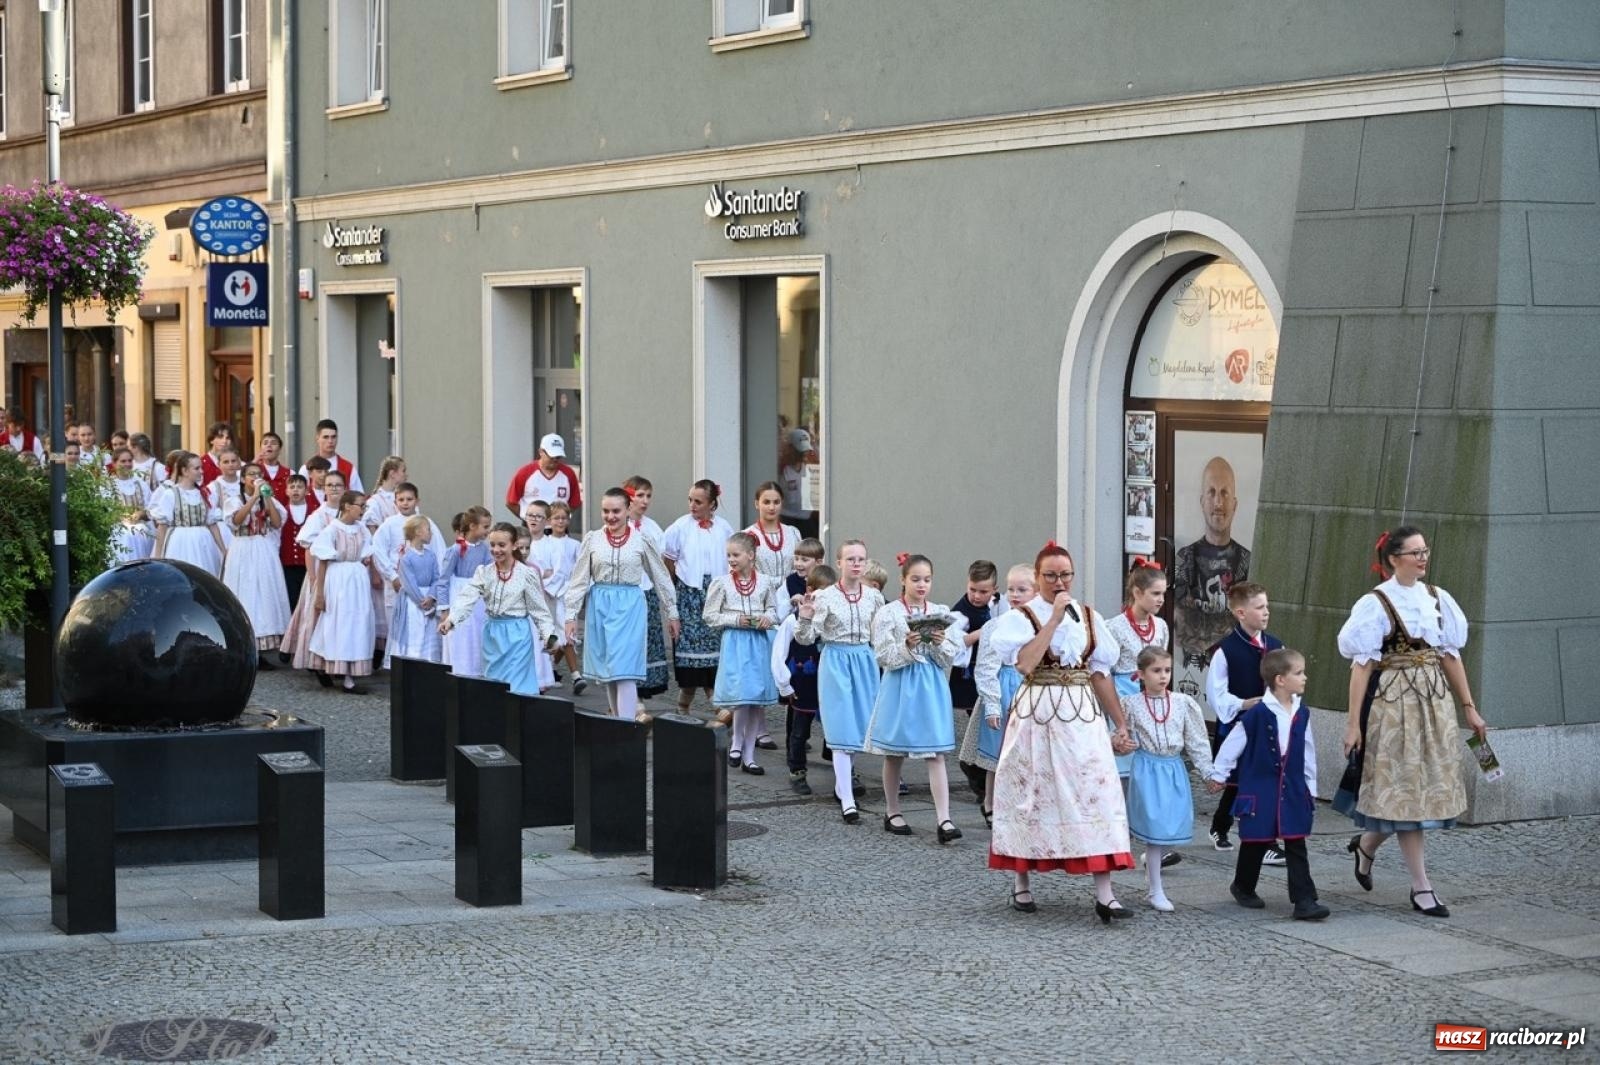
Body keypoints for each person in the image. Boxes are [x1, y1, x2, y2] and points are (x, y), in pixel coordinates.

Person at [1337, 526, 1486, 919]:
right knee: (1404, 791)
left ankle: (1366, 844)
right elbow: (1361, 668)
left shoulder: (1437, 598)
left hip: (1434, 703)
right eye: (1415, 552)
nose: (1423, 558)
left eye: (1425, 551)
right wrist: (1353, 724)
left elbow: (1450, 656)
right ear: (1393, 559)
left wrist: (1469, 708)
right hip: (1393, 706)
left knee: (1419, 792)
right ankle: (1422, 887)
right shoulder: (1376, 603)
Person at [987, 543, 1136, 920]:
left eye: (1065, 575)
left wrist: (1119, 723)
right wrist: (1053, 619)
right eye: (1051, 575)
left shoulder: (1088, 617)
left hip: (1081, 714)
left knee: (1095, 791)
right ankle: (1021, 882)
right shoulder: (1021, 618)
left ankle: (1105, 894)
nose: (1059, 582)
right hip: (1037, 713)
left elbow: (1100, 673)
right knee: (1031, 791)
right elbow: (1024, 664)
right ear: (1038, 578)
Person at [1207, 647, 1329, 920]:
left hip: (1294, 788)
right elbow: (1233, 743)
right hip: (1260, 788)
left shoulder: (1302, 712)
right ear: (1280, 680)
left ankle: (1304, 900)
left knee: (1296, 841)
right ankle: (1243, 886)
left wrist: (1310, 786)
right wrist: (1220, 773)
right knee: (1256, 840)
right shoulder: (1257, 714)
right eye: (1299, 673)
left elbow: (1308, 750)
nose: (1305, 677)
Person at [864, 553, 963, 843]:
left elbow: (951, 657)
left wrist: (941, 643)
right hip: (900, 683)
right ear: (903, 580)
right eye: (916, 579)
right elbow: (882, 656)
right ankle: (892, 810)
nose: (922, 585)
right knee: (894, 752)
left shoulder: (940, 611)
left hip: (930, 684)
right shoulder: (889, 613)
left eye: (927, 580)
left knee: (936, 752)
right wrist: (906, 646)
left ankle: (944, 818)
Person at [562, 487, 681, 720]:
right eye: (605, 511)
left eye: (616, 511)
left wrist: (672, 612)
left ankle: (626, 727)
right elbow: (578, 580)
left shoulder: (641, 539)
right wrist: (570, 616)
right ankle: (618, 723)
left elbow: (660, 576)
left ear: (628, 510)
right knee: (610, 672)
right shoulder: (593, 539)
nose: (610, 516)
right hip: (600, 606)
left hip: (630, 607)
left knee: (625, 670)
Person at [794, 539, 885, 823]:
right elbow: (806, 639)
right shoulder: (825, 597)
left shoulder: (874, 597)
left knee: (859, 728)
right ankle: (847, 799)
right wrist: (805, 618)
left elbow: (880, 635)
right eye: (851, 559)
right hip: (836, 661)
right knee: (841, 729)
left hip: (864, 661)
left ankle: (842, 786)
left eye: (861, 559)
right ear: (839, 563)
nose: (856, 564)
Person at [1122, 646, 1213, 910]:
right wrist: (1122, 744)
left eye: (1167, 670)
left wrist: (1207, 771)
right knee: (1155, 830)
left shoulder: (1183, 703)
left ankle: (1152, 863)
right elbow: (1120, 735)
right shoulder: (1131, 704)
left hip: (1173, 769)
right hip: (1147, 770)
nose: (1163, 676)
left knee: (1173, 827)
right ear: (1141, 674)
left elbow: (1196, 740)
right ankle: (1155, 890)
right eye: (1156, 671)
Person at [1205, 582, 1286, 866]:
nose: (1266, 612)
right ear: (1241, 613)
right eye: (1260, 607)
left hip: (1270, 726)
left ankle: (1265, 841)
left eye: (1267, 606)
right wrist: (1243, 704)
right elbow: (1216, 693)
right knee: (1237, 781)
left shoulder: (1276, 645)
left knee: (1263, 782)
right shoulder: (1226, 650)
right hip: (1239, 724)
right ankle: (1222, 826)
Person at [441, 522, 557, 697]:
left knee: (518, 688)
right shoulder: (484, 572)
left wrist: (549, 636)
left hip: (518, 636)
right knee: (495, 688)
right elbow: (467, 597)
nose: (496, 550)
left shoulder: (526, 574)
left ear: (514, 545)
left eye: (502, 545)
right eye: (493, 545)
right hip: (493, 635)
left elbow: (539, 611)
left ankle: (519, 712)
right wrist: (451, 619)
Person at [704, 531, 781, 774]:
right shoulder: (722, 583)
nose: (731, 559)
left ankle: (749, 756)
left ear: (750, 555)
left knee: (755, 698)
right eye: (728, 555)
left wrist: (767, 618)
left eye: (736, 555)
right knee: (741, 694)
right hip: (736, 643)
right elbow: (710, 616)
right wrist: (736, 619)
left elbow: (774, 610)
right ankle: (736, 742)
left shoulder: (765, 582)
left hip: (758, 643)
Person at [971, 564, 1036, 827]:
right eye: (1011, 590)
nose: (1015, 595)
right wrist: (992, 704)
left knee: (1029, 753)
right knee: (998, 752)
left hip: (1032, 688)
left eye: (1022, 589)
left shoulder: (1042, 624)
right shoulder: (996, 626)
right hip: (1006, 686)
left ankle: (1024, 802)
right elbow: (986, 667)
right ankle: (991, 802)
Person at [662, 480, 735, 716]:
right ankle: (698, 705)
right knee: (690, 652)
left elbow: (731, 560)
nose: (692, 505)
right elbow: (668, 560)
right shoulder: (679, 527)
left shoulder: (724, 528)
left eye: (698, 502)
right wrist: (674, 589)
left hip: (715, 594)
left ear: (712, 504)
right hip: (689, 595)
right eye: (690, 500)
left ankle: (709, 703)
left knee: (714, 650)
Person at [1173, 456, 1252, 666]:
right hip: (1191, 671)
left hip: (1236, 668)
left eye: (1225, 493)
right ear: (1202, 502)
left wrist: (1200, 623)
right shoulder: (1185, 558)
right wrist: (1233, 621)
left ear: (1235, 504)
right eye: (1212, 492)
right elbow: (1180, 630)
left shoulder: (1248, 562)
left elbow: (1253, 625)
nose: (1218, 502)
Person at [745, 481, 803, 750]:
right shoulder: (748, 535)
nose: (771, 507)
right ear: (756, 504)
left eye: (776, 502)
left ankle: (795, 728)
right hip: (763, 602)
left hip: (791, 602)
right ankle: (759, 728)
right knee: (762, 666)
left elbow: (801, 564)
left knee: (792, 663)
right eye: (766, 502)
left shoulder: (792, 532)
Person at [1105, 560, 1171, 782]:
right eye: (1155, 593)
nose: (1161, 599)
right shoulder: (1114, 627)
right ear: (1137, 592)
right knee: (1125, 759)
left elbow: (1162, 662)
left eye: (1163, 594)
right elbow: (1105, 671)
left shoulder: (1161, 626)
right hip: (1123, 696)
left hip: (1152, 698)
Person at [222, 461, 291, 671]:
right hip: (243, 548)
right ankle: (244, 646)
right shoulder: (234, 500)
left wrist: (266, 497)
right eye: (251, 474)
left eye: (259, 474)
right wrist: (253, 498)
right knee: (245, 592)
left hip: (263, 548)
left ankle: (261, 650)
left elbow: (277, 523)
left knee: (264, 595)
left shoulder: (268, 500)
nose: (255, 477)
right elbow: (236, 521)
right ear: (243, 479)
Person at [773, 564, 835, 796]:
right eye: (821, 593)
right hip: (802, 682)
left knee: (835, 725)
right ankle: (797, 770)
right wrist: (784, 684)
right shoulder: (793, 620)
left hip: (828, 682)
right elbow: (778, 653)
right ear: (810, 591)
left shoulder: (832, 620)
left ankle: (841, 765)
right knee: (800, 731)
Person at [280, 469, 348, 682]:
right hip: (321, 571)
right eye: (330, 485)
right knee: (317, 615)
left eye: (338, 485)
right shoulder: (319, 515)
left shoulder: (348, 514)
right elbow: (308, 548)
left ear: (345, 488)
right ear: (323, 489)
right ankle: (316, 661)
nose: (334, 489)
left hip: (343, 574)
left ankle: (337, 660)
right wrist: (312, 577)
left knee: (340, 617)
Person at [308, 491, 377, 693]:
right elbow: (323, 562)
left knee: (358, 622)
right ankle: (330, 666)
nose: (363, 510)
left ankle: (349, 673)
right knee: (338, 622)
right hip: (338, 579)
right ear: (347, 506)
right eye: (360, 506)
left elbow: (367, 553)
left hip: (357, 579)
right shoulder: (332, 530)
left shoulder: (362, 529)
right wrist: (319, 593)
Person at [952, 560, 1003, 799]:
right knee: (979, 720)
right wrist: (981, 633)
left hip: (993, 673)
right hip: (970, 674)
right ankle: (975, 769)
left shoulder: (998, 605)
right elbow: (956, 644)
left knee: (986, 724)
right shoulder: (960, 611)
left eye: (983, 591)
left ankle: (979, 771)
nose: (976, 596)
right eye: (972, 589)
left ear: (994, 589)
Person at [623, 476, 670, 699]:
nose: (645, 501)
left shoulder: (652, 528)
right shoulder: (620, 525)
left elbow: (660, 564)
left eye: (648, 496)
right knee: (628, 642)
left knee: (647, 640)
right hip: (625, 592)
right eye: (640, 495)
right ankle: (625, 694)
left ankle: (639, 694)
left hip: (647, 590)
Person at [150, 451, 225, 577]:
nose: (201, 471)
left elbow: (212, 524)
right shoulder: (171, 494)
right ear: (184, 471)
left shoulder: (205, 493)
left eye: (201, 467)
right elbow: (162, 527)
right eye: (197, 468)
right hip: (180, 542)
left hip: (203, 542)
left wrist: (223, 550)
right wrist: (158, 556)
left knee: (204, 575)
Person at [387, 515, 446, 667]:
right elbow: (409, 583)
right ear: (418, 532)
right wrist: (422, 602)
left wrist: (432, 596)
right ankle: (413, 664)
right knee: (415, 632)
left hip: (429, 600)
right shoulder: (407, 558)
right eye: (428, 530)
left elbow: (436, 578)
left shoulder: (431, 555)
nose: (431, 533)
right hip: (414, 603)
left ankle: (428, 663)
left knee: (428, 633)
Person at [443, 507, 493, 677]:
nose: (488, 531)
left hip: (479, 597)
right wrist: (444, 609)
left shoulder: (484, 549)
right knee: (462, 634)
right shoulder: (456, 550)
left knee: (478, 632)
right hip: (460, 594)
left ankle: (478, 670)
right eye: (485, 527)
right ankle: (461, 671)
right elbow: (443, 579)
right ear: (472, 526)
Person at [546, 501, 585, 693]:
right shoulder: (544, 543)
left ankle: (571, 674)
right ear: (549, 520)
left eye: (564, 518)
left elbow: (580, 569)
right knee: (555, 635)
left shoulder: (575, 545)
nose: (560, 522)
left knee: (567, 635)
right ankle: (568, 673)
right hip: (549, 594)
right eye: (556, 518)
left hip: (568, 595)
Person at [505, 432, 582, 520]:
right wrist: (527, 518)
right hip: (532, 525)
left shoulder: (568, 474)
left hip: (558, 526)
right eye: (551, 456)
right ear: (541, 452)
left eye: (558, 457)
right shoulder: (525, 473)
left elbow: (575, 503)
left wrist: (561, 518)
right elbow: (511, 502)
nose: (555, 460)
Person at [107, 447, 155, 562]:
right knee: (126, 537)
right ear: (114, 463)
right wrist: (121, 517)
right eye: (123, 461)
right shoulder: (108, 485)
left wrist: (141, 514)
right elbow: (104, 512)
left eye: (129, 461)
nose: (127, 464)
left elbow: (151, 508)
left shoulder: (140, 483)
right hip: (118, 531)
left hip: (142, 529)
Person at [298, 418, 364, 493]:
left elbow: (359, 496)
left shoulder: (349, 468)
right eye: (326, 437)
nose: (330, 441)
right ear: (317, 439)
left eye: (333, 437)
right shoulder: (306, 468)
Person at [279, 474, 313, 613]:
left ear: (307, 490)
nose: (295, 490)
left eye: (299, 487)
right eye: (292, 487)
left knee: (308, 599)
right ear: (286, 491)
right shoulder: (281, 512)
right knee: (291, 598)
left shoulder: (314, 512)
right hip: (288, 564)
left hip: (308, 565)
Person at [777, 428, 817, 538]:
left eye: (805, 451)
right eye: (800, 451)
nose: (803, 454)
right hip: (787, 518)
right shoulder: (781, 470)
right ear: (791, 449)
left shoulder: (809, 468)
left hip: (806, 519)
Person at [257, 431, 291, 499]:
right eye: (265, 443)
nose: (269, 445)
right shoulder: (254, 472)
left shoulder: (290, 473)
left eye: (273, 443)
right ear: (261, 449)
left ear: (280, 450)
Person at [199, 422, 233, 486]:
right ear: (211, 440)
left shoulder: (234, 463)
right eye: (220, 437)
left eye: (228, 438)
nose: (224, 441)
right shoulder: (201, 464)